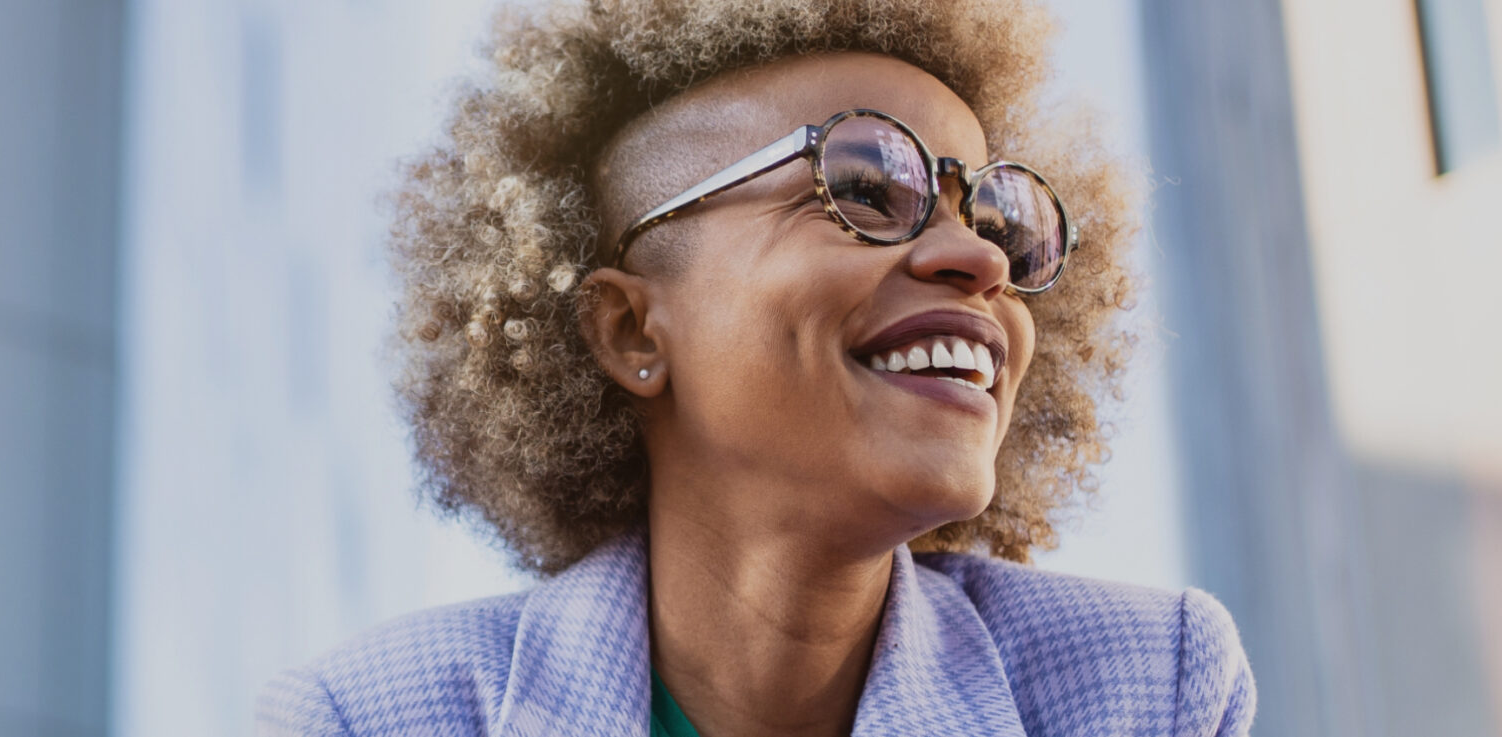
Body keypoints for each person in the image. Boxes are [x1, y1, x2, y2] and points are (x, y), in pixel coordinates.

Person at [257, 1, 1255, 735]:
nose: (982, 260)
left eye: (996, 213)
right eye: (865, 182)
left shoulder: (1148, 688)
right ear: (630, 331)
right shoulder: (370, 718)